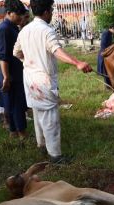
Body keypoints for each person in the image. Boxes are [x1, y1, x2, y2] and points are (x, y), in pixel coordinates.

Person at [13, 0, 93, 165]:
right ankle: (55, 156)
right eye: (52, 10)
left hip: (29, 80)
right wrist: (78, 63)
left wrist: (29, 63)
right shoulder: (46, 30)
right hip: (44, 81)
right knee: (50, 118)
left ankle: (41, 145)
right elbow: (57, 51)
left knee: (37, 113)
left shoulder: (24, 30)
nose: (52, 13)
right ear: (47, 11)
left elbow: (16, 52)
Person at [0, 0, 29, 139]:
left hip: (16, 70)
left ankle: (14, 131)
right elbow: (3, 56)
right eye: (18, 15)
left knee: (14, 102)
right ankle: (21, 133)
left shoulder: (13, 26)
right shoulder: (4, 29)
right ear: (9, 13)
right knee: (16, 104)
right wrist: (6, 77)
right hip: (9, 72)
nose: (21, 17)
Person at [98, 22, 114, 87]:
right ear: (113, 28)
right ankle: (107, 85)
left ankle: (109, 84)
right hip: (104, 53)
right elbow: (104, 45)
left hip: (107, 52)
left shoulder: (109, 34)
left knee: (108, 70)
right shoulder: (106, 33)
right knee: (106, 70)